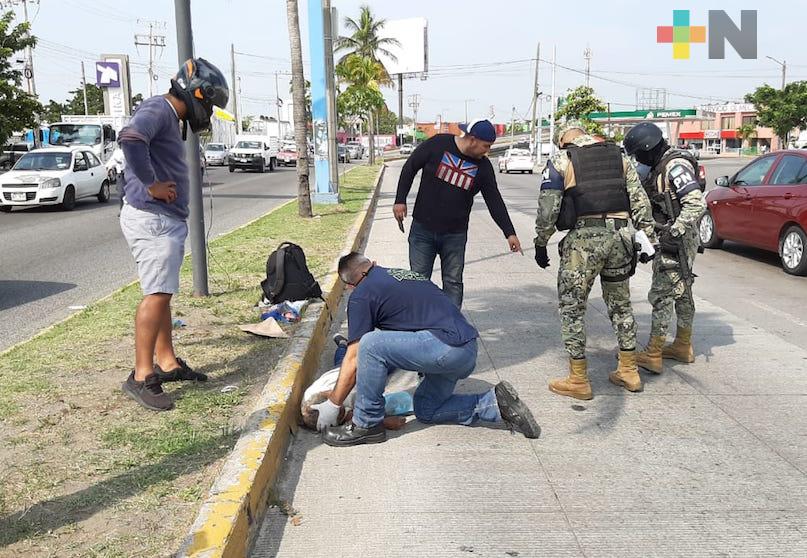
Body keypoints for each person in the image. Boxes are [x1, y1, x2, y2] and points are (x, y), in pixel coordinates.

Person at [313, 252, 541, 447]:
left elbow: (354, 356)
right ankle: (495, 404)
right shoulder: (404, 275)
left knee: (370, 344)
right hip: (466, 350)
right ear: (374, 263)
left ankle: (367, 424)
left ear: (351, 285)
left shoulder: (361, 294)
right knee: (427, 410)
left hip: (444, 348)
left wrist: (333, 404)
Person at [118, 58, 229, 411]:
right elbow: (131, 138)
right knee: (156, 295)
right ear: (197, 93)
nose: (207, 112)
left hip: (163, 219)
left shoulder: (169, 115)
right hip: (152, 219)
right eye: (209, 104)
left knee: (162, 294)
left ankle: (166, 362)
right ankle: (140, 375)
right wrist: (151, 185)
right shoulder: (159, 108)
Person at [533, 120, 657, 400]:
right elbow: (640, 202)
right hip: (621, 237)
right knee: (620, 304)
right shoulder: (619, 156)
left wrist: (541, 242)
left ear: (563, 140)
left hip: (585, 243)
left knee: (572, 307)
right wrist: (648, 237)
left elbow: (548, 208)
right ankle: (629, 370)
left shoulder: (562, 159)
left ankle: (578, 379)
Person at [393, 119, 523, 308]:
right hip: (423, 230)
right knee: (418, 280)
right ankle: (418, 324)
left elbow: (494, 200)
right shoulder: (438, 144)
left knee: (453, 283)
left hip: (454, 235)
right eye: (486, 146)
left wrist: (509, 232)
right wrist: (400, 200)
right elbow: (410, 166)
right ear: (472, 139)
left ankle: (452, 327)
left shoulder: (484, 168)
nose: (487, 151)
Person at [623, 122, 707, 374]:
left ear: (648, 149)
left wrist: (674, 231)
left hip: (676, 241)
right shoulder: (660, 166)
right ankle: (682, 345)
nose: (638, 159)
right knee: (682, 292)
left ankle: (654, 352)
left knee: (661, 295)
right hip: (674, 237)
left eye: (639, 154)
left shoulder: (674, 166)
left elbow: (696, 203)